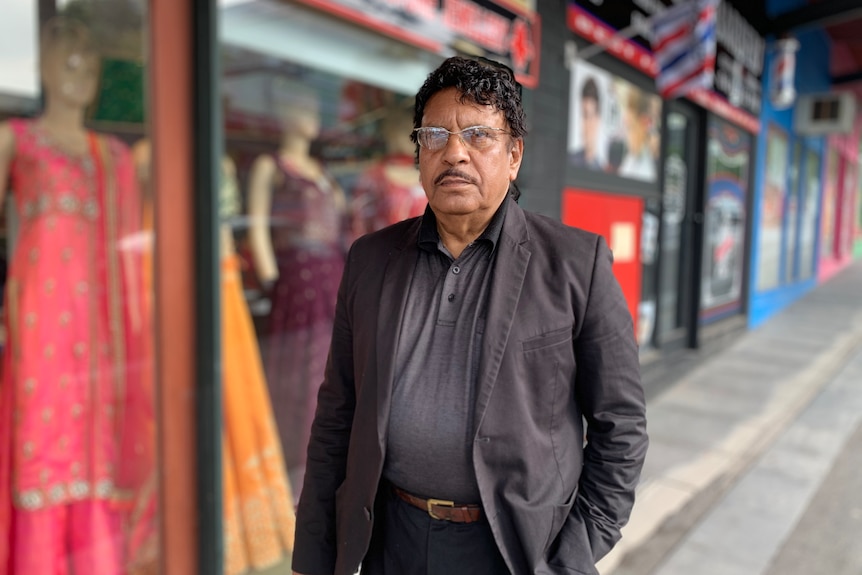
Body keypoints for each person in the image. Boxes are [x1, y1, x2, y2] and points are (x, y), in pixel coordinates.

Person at [291, 56, 648, 575]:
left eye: (479, 135)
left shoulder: (575, 264)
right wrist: (315, 556)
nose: (453, 152)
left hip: (514, 550)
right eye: (435, 135)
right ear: (418, 155)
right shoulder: (371, 259)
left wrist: (572, 554)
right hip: (391, 539)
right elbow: (336, 417)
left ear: (514, 156)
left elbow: (622, 426)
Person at [0, 17, 152, 574]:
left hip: (102, 327)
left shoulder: (113, 156)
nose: (81, 73)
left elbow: (132, 251)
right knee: (43, 436)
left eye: (90, 64)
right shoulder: (15, 140)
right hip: (40, 324)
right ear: (39, 65)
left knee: (101, 439)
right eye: (68, 59)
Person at [246, 81, 347, 495]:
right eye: (302, 107)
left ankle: (331, 457)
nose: (311, 116)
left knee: (331, 366)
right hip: (298, 277)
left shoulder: (323, 174)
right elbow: (255, 224)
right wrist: (271, 277)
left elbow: (340, 219)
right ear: (284, 113)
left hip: (331, 275)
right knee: (300, 366)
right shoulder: (271, 167)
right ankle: (300, 464)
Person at [349, 104, 426, 239]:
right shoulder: (374, 176)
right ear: (390, 132)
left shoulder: (427, 176)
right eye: (404, 129)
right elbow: (359, 226)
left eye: (415, 129)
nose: (411, 135)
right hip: (381, 255)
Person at [617, 87, 657, 181]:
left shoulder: (645, 170)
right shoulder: (632, 157)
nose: (627, 135)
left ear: (645, 122)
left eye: (630, 128)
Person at [570, 76, 605, 171]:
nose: (585, 125)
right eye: (583, 116)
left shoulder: (601, 169)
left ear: (598, 120)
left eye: (589, 116)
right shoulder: (570, 161)